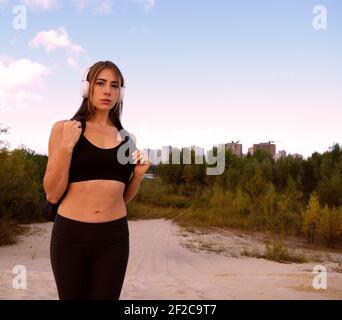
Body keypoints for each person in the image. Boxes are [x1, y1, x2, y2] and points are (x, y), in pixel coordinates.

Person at [43, 60, 151, 300]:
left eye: (114, 86)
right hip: (71, 236)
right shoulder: (64, 129)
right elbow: (52, 193)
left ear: (120, 93)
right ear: (87, 88)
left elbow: (122, 197)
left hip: (114, 238)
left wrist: (139, 176)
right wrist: (66, 148)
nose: (107, 91)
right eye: (100, 83)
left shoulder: (127, 139)